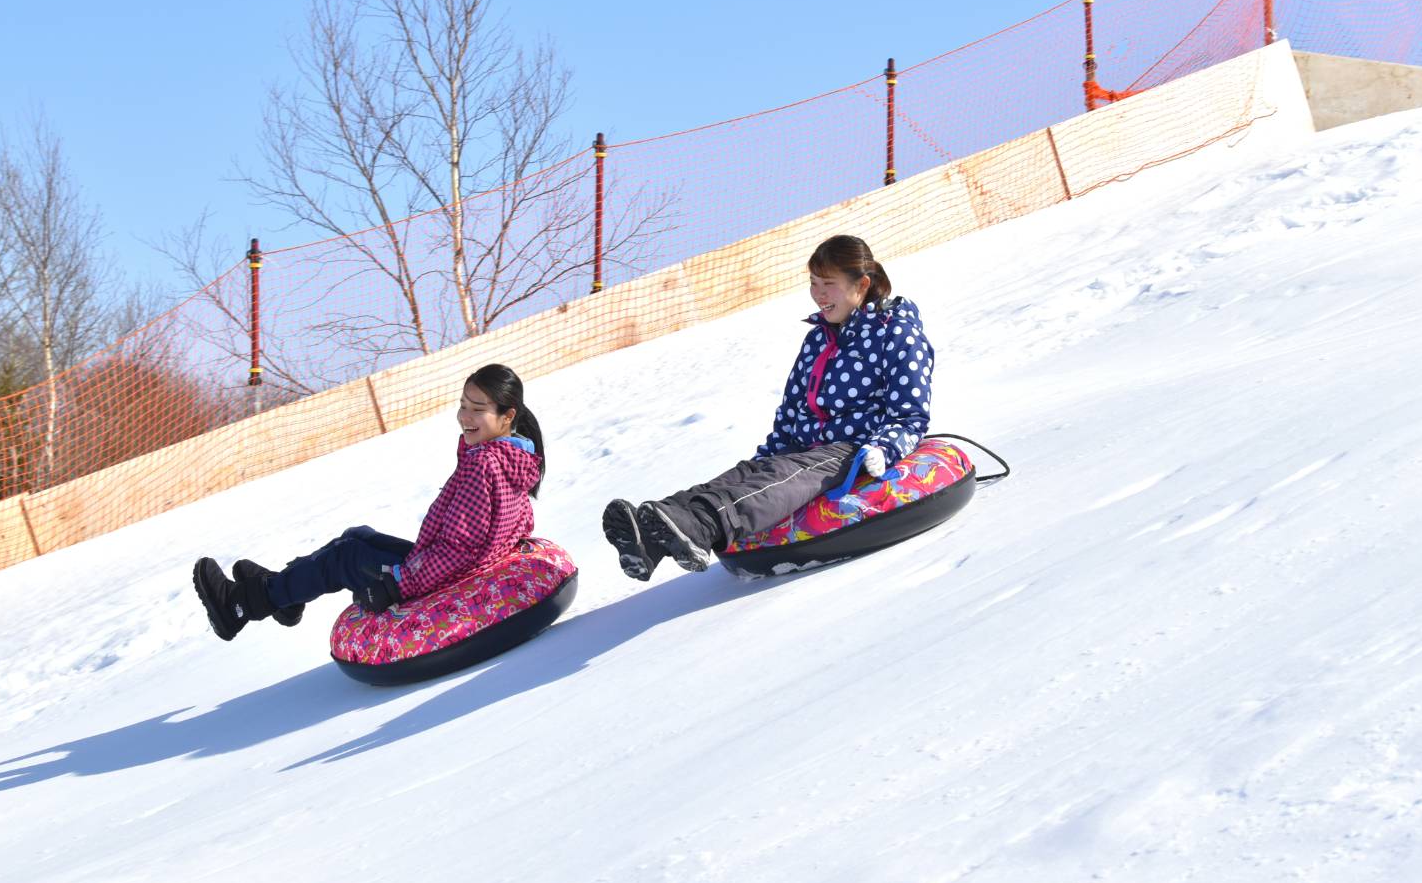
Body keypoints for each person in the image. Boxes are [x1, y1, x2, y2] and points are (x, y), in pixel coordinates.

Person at [603, 234, 934, 580]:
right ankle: (651, 540)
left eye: (829, 284)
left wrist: (884, 447)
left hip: (850, 449)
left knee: (782, 479)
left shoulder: (896, 334)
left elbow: (910, 413)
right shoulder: (818, 339)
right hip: (799, 446)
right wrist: (765, 455)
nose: (818, 294)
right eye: (813, 283)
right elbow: (791, 410)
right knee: (746, 474)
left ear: (862, 284)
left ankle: (701, 526)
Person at [192, 363, 546, 641]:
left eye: (477, 409)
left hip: (446, 578)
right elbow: (512, 525)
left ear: (507, 415)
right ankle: (285, 593)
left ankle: (240, 606)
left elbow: (458, 549)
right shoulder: (514, 457)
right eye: (462, 405)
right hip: (457, 568)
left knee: (347, 557)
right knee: (357, 537)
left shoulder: (484, 463)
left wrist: (398, 584)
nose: (465, 417)